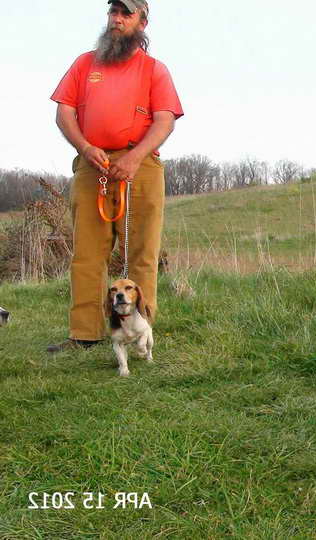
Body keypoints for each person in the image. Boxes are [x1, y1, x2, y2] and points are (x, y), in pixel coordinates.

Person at [47, 0, 183, 353]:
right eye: (113, 11)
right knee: (87, 253)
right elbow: (65, 112)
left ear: (142, 21)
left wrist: (136, 157)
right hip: (93, 165)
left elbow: (164, 119)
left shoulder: (154, 69)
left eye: (126, 13)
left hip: (141, 166)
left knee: (141, 253)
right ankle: (85, 334)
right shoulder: (84, 64)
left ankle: (141, 334)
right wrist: (84, 147)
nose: (117, 18)